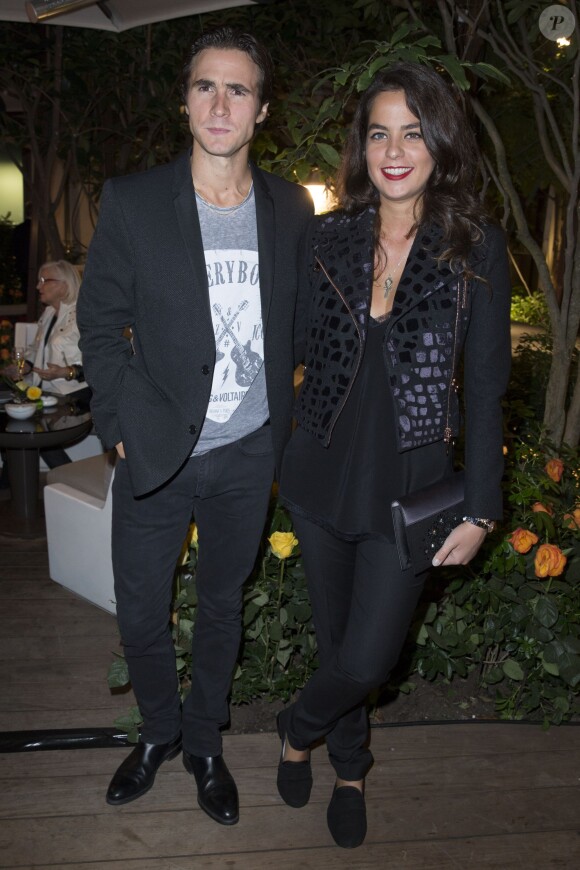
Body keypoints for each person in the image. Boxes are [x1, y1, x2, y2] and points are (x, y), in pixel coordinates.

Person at [77, 27, 313, 826]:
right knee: (140, 611)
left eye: (237, 89)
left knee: (222, 604)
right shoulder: (136, 200)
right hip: (155, 449)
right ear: (184, 102)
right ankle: (159, 733)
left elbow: (304, 324)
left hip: (249, 452)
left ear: (261, 109)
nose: (220, 104)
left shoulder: (289, 204)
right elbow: (100, 322)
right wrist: (115, 424)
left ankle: (205, 743)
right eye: (205, 87)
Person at [276, 62, 512, 848]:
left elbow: (484, 390)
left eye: (413, 132)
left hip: (408, 494)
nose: (395, 149)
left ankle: (297, 727)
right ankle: (349, 767)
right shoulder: (328, 235)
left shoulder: (472, 248)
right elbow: (292, 350)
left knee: (369, 658)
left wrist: (482, 506)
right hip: (317, 478)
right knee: (337, 637)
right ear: (363, 147)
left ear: (439, 144)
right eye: (380, 133)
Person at [14, 260, 90, 467]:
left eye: (44, 280)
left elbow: (97, 360)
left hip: (76, 394)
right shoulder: (48, 313)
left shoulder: (84, 315)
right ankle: (9, 479)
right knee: (15, 422)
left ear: (65, 284)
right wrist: (26, 365)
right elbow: (36, 349)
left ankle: (68, 480)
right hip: (47, 392)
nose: (38, 286)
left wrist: (66, 371)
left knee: (35, 431)